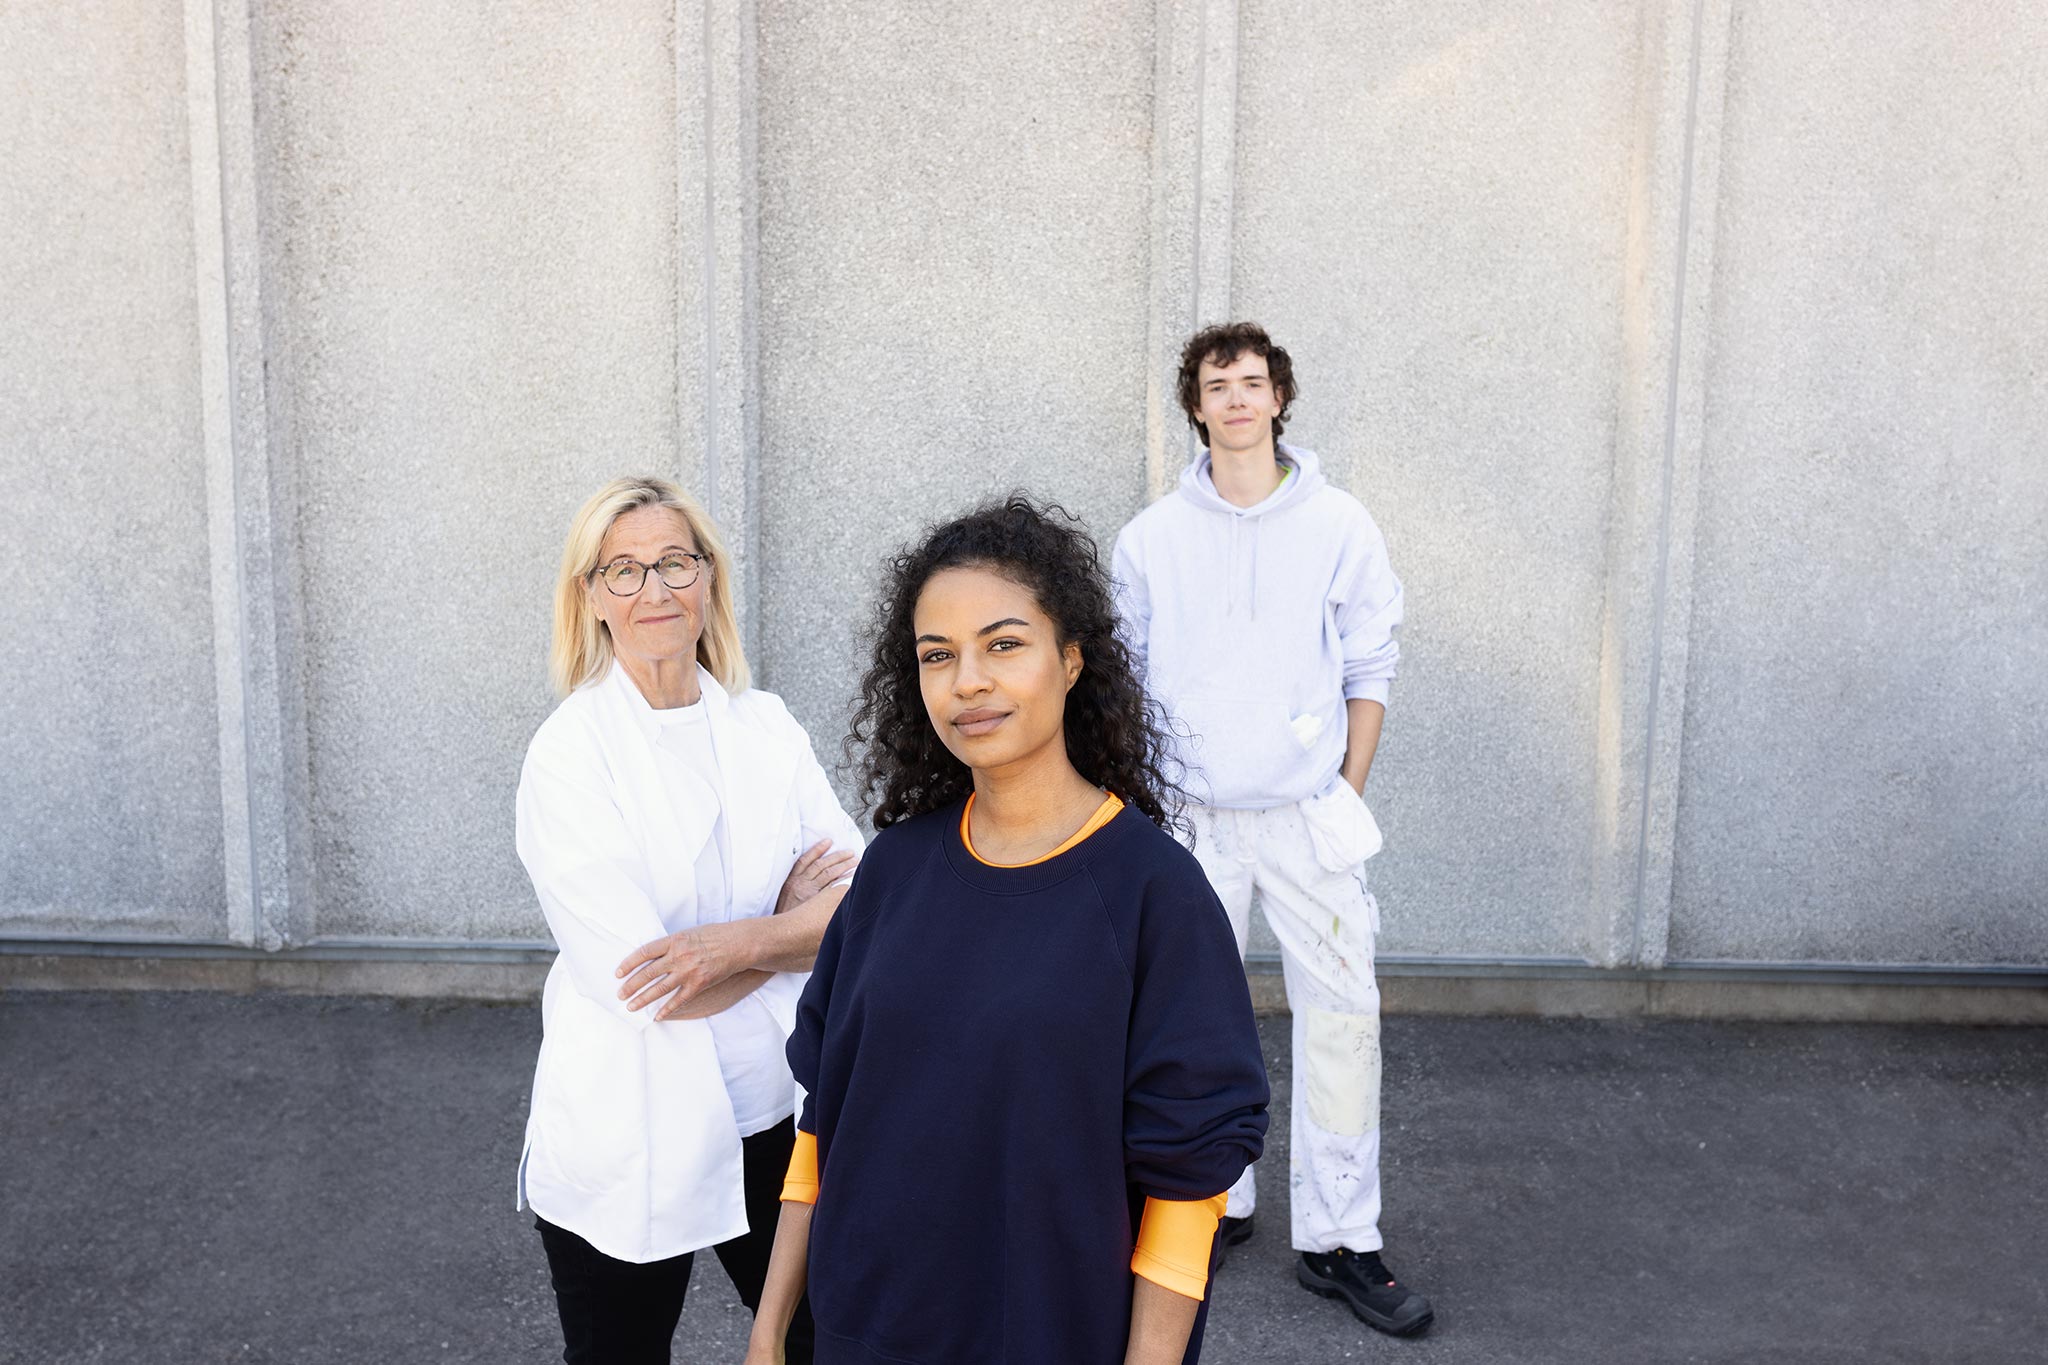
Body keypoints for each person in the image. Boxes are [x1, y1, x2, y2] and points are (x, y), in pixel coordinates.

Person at [741, 498, 1269, 1365]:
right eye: (937, 656)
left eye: (1004, 644)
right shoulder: (892, 872)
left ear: (1071, 659)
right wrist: (769, 1332)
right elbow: (821, 1125)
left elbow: (1188, 1187)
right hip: (863, 1335)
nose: (968, 681)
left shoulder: (1153, 895)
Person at [1110, 322, 1433, 1337]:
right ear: (1194, 406)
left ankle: (1340, 1238)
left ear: (1278, 399)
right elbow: (1117, 682)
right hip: (1191, 824)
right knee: (1183, 1028)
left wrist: (1343, 791)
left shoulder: (1338, 523)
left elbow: (1366, 667)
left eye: (1253, 382)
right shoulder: (1151, 536)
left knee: (1341, 1020)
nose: (1237, 398)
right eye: (1217, 384)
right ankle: (1211, 1203)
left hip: (1304, 820)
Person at [515, 475, 863, 1364]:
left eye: (675, 561)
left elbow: (864, 912)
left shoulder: (766, 725)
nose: (655, 590)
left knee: (823, 1341)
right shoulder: (569, 756)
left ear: (709, 577)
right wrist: (790, 926)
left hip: (775, 1114)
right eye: (623, 571)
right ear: (590, 596)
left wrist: (733, 944)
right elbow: (654, 986)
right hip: (631, 1128)